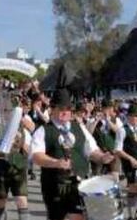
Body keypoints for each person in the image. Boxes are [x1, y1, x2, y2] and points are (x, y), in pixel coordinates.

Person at [31, 88, 114, 220]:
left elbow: (91, 150)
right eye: (61, 108)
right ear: (52, 109)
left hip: (80, 183)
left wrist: (102, 157)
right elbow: (36, 156)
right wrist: (56, 163)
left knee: (79, 216)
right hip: (55, 185)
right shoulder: (43, 130)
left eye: (68, 109)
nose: (66, 112)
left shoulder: (79, 127)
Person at [0, 128, 29, 220]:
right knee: (1, 198)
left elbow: (29, 150)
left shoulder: (23, 128)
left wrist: (22, 146)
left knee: (21, 198)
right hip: (1, 166)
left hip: (18, 168)